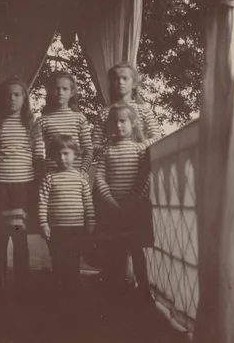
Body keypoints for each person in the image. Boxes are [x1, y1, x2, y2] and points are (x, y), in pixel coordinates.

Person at [0, 78, 44, 300]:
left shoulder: (32, 126)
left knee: (19, 237)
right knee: (0, 236)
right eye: (8, 95)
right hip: (0, 189)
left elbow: (38, 159)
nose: (12, 99)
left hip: (22, 189)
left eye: (17, 94)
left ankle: (22, 288)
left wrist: (38, 189)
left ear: (25, 98)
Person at [94, 104, 155, 302]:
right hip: (113, 208)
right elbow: (100, 177)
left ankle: (144, 290)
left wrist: (133, 200)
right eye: (115, 122)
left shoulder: (141, 149)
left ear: (134, 123)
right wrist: (109, 200)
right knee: (116, 250)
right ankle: (118, 291)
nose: (118, 125)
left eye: (123, 121)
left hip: (134, 208)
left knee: (137, 249)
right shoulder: (106, 150)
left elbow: (145, 177)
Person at [37, 134, 95, 300]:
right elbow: (42, 202)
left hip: (76, 227)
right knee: (58, 259)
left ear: (75, 154)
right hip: (56, 229)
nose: (62, 158)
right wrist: (43, 223)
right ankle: (59, 294)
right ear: (53, 157)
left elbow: (88, 203)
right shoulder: (49, 178)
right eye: (58, 154)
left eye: (66, 153)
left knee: (73, 260)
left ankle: (73, 294)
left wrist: (90, 221)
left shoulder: (80, 179)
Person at [91, 62, 163, 168]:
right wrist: (110, 149)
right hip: (113, 166)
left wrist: (140, 145)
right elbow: (93, 145)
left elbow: (157, 137)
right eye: (116, 79)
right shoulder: (104, 113)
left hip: (139, 164)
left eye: (125, 78)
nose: (120, 82)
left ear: (133, 83)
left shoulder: (143, 110)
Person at [36, 71, 93, 173]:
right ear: (50, 91)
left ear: (71, 93)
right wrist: (43, 174)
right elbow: (37, 152)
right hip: (51, 176)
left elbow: (88, 150)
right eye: (57, 88)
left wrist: (83, 171)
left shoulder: (79, 118)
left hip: (75, 175)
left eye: (65, 89)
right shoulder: (42, 120)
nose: (60, 92)